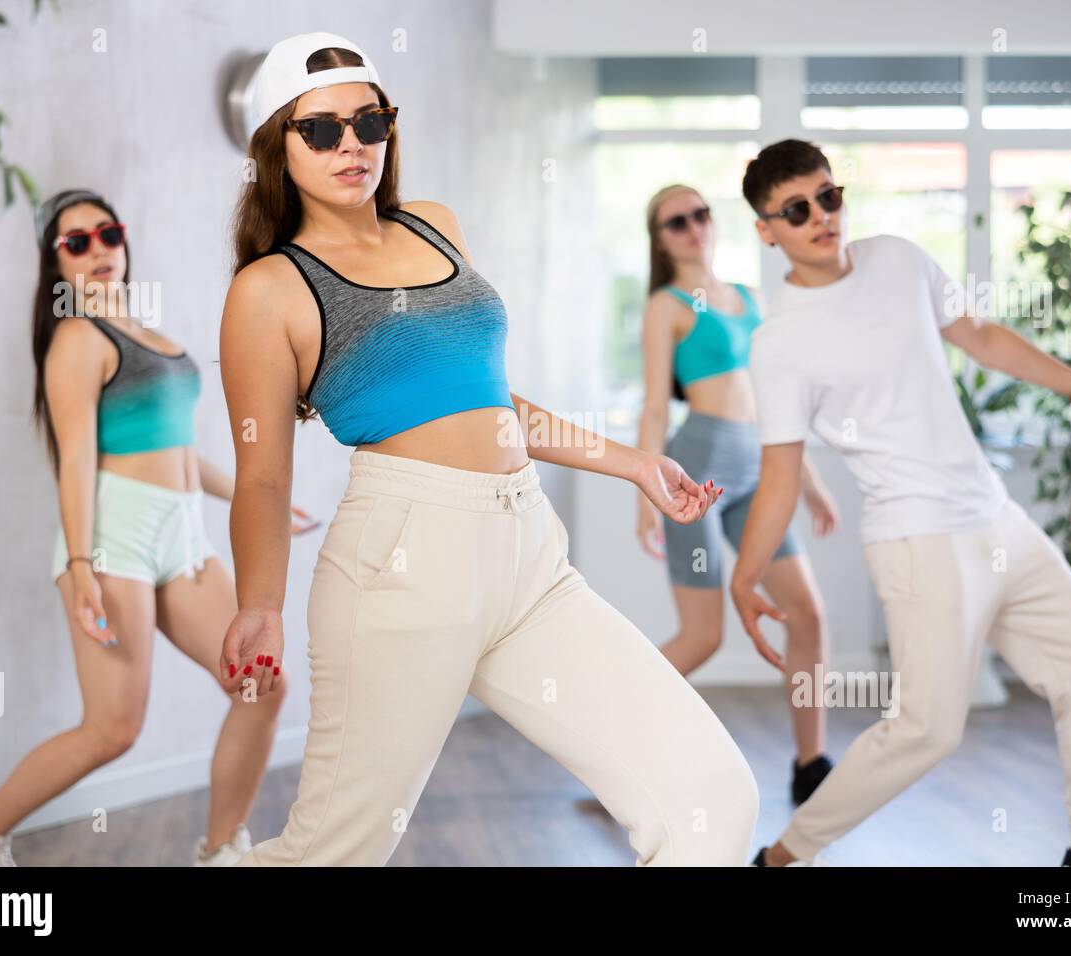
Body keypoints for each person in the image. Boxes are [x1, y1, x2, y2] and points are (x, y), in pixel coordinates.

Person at [218, 31, 761, 867]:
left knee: (710, 800)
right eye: (319, 129)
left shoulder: (434, 226)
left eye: (369, 121)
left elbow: (490, 404)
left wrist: (633, 463)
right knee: (331, 855)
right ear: (275, 148)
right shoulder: (269, 290)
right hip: (398, 567)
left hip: (528, 555)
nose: (351, 144)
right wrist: (258, 606)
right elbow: (259, 476)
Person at [730, 139, 1071, 868]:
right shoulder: (781, 344)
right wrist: (745, 574)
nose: (822, 216)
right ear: (767, 230)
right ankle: (784, 857)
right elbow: (780, 474)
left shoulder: (898, 258)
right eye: (797, 210)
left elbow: (979, 336)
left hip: (992, 517)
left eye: (829, 195)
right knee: (927, 728)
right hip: (917, 540)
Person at [0, 189, 312, 867]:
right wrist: (81, 565)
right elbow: (77, 459)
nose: (98, 249)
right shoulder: (77, 339)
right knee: (113, 729)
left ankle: (221, 849)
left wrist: (258, 501)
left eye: (106, 233)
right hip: (116, 541)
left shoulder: (151, 334)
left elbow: (177, 452)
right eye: (75, 242)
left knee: (262, 685)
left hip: (184, 537)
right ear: (56, 267)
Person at [636, 183, 838, 804]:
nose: (693, 227)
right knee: (704, 637)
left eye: (700, 214)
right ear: (660, 238)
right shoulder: (666, 306)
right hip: (696, 472)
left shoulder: (751, 298)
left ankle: (811, 765)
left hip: (763, 473)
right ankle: (609, 742)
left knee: (807, 614)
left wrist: (810, 483)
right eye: (677, 221)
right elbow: (651, 407)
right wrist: (644, 491)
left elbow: (779, 400)